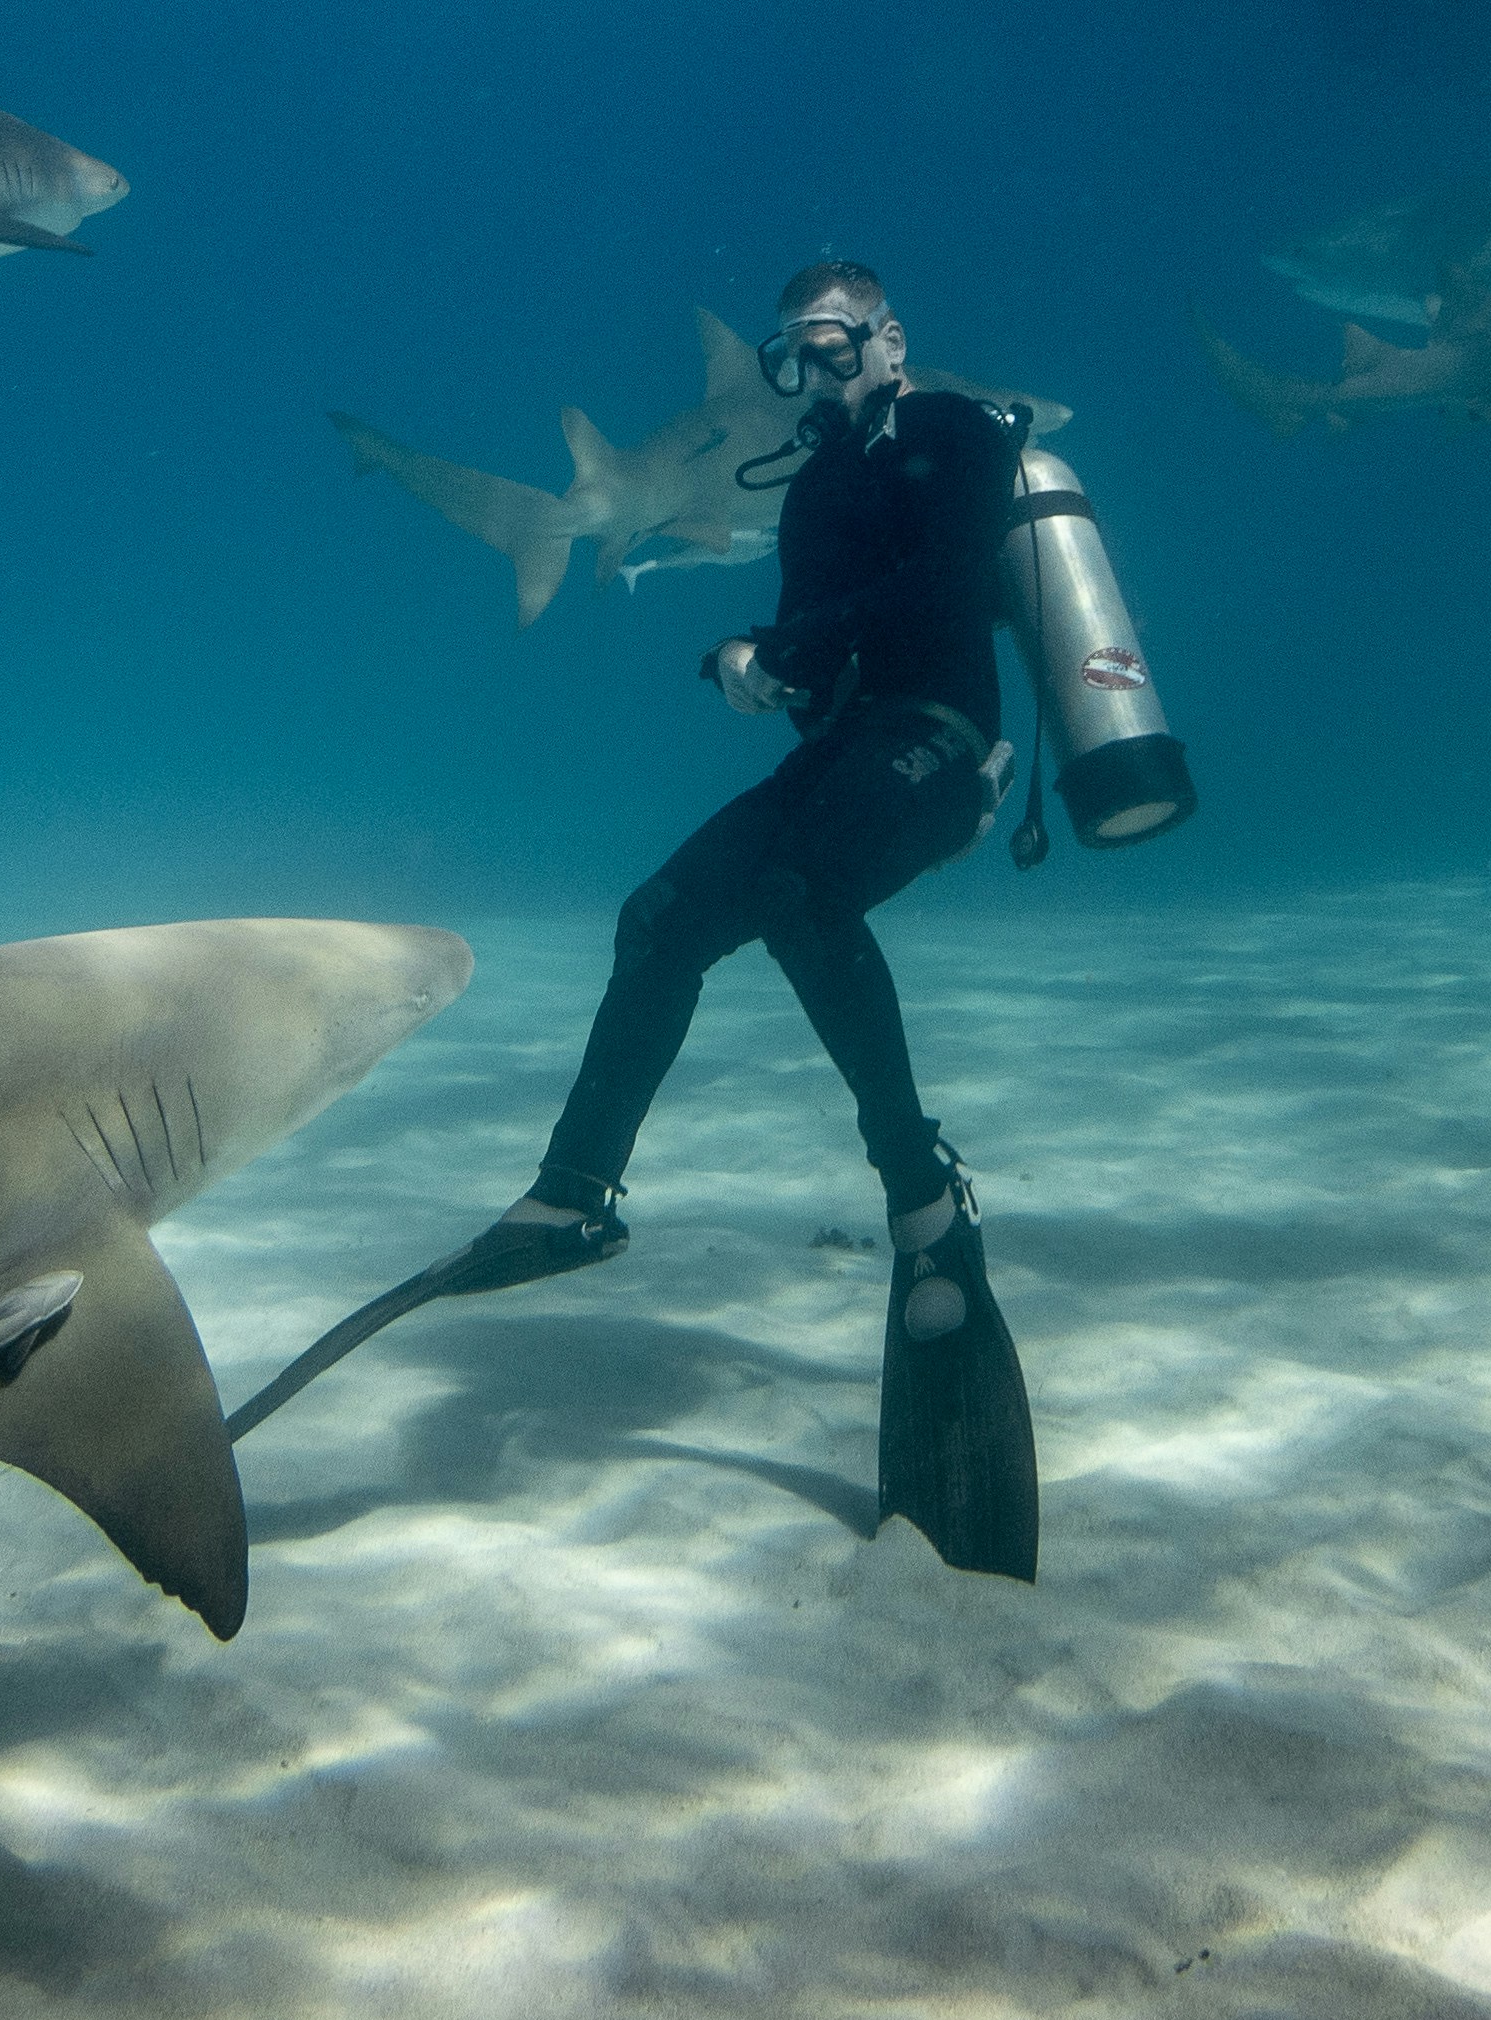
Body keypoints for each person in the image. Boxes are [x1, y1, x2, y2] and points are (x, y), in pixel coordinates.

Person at [229, 261, 1042, 1576]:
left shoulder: (954, 427)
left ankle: (921, 1189)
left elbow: (944, 577)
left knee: (797, 895)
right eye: (791, 354)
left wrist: (786, 650)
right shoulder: (811, 486)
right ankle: (575, 1192)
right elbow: (819, 647)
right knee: (658, 915)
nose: (812, 370)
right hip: (838, 754)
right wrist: (751, 668)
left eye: (832, 343)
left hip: (940, 744)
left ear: (890, 338)